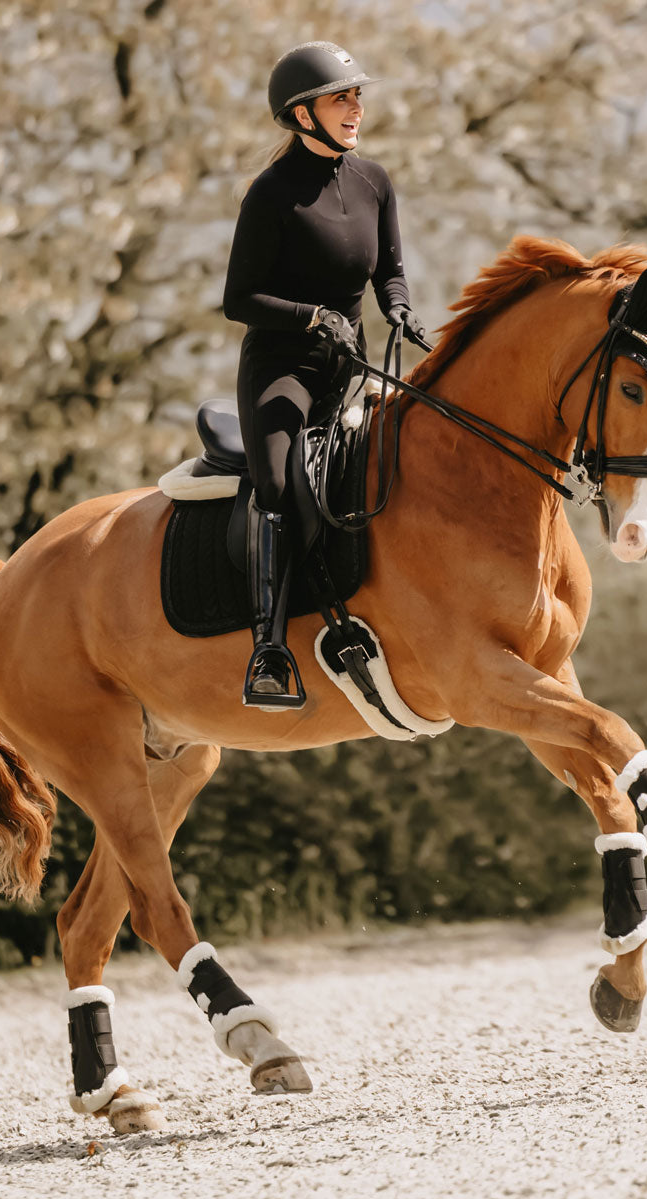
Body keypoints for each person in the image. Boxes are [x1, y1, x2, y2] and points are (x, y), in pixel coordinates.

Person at [223, 40, 426, 709]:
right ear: (302, 114)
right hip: (283, 368)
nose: (357, 107)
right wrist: (312, 318)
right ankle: (269, 647)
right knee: (279, 485)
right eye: (343, 97)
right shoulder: (271, 194)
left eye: (358, 95)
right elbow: (239, 299)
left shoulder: (374, 182)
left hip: (351, 367)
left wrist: (397, 309)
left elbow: (388, 271)